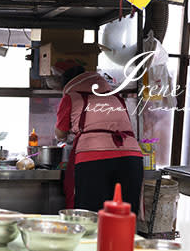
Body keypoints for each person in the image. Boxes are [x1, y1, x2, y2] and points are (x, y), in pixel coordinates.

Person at [54, 65, 143, 213]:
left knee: (91, 216)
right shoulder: (116, 98)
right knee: (124, 215)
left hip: (93, 158)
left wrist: (70, 132)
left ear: (68, 84)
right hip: (131, 158)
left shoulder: (71, 97)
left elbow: (60, 134)